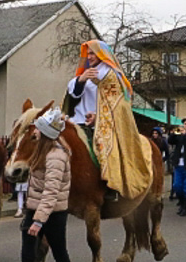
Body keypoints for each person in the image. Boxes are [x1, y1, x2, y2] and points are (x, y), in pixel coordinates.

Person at [7, 107, 74, 262]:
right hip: (34, 210)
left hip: (52, 215)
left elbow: (51, 193)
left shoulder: (56, 157)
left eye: (39, 131)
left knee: (60, 255)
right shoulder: (41, 150)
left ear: (46, 134)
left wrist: (38, 221)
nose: (35, 133)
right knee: (27, 257)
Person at [63, 40, 151, 201]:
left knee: (102, 145)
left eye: (92, 53)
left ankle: (110, 185)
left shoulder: (111, 75)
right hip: (78, 120)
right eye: (87, 54)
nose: (89, 57)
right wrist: (81, 80)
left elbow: (118, 105)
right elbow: (73, 95)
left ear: (101, 54)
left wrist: (98, 116)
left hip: (101, 122)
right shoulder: (84, 73)